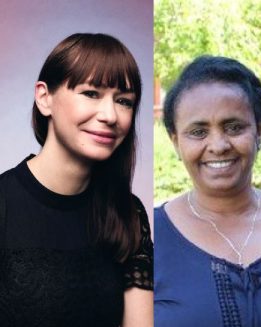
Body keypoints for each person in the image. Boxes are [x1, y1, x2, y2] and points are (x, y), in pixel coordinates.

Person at [0, 33, 152, 326]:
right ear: (44, 98)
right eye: (91, 93)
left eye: (124, 101)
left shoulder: (128, 212)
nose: (110, 115)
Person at [153, 56, 261, 326]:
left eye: (234, 127)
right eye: (198, 132)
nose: (219, 145)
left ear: (259, 131)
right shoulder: (145, 237)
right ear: (175, 141)